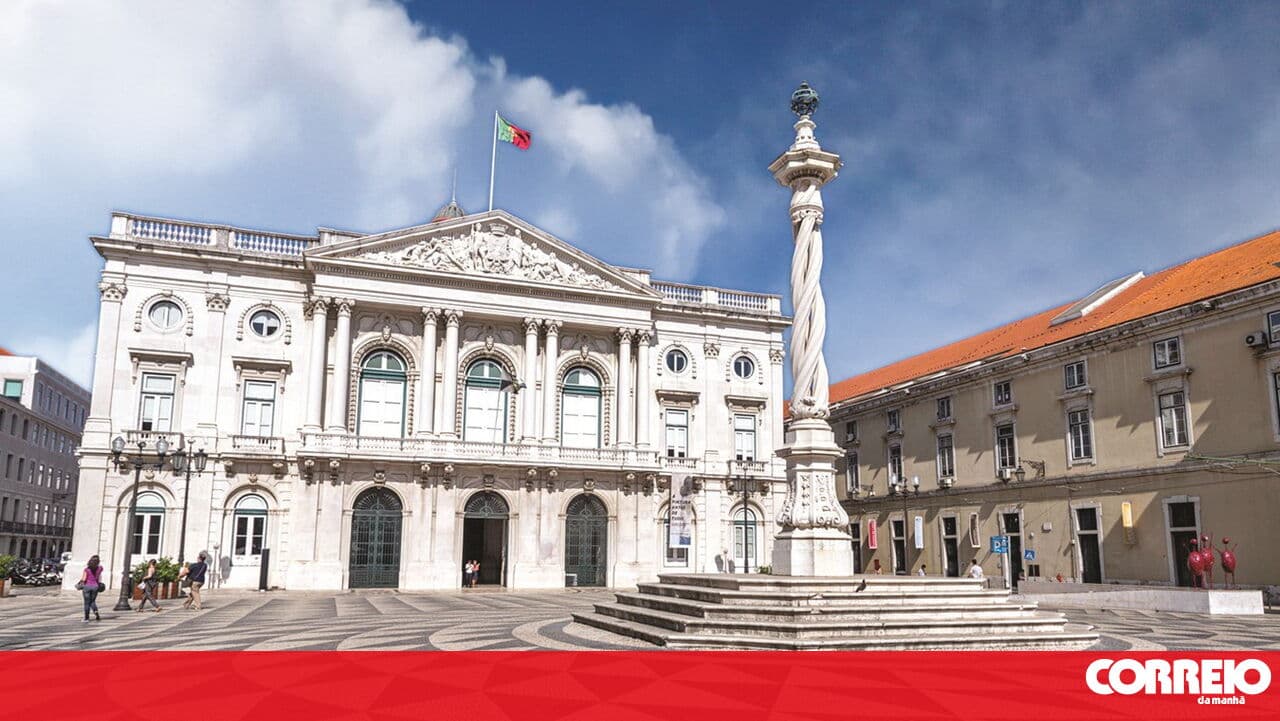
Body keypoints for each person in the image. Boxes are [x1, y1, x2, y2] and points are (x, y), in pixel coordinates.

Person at [79, 555, 105, 622]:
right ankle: (96, 613)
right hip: (95, 587)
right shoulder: (100, 568)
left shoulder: (87, 569)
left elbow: (84, 579)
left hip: (87, 587)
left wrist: (80, 582)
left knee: (87, 603)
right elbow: (99, 574)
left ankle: (86, 618)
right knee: (92, 601)